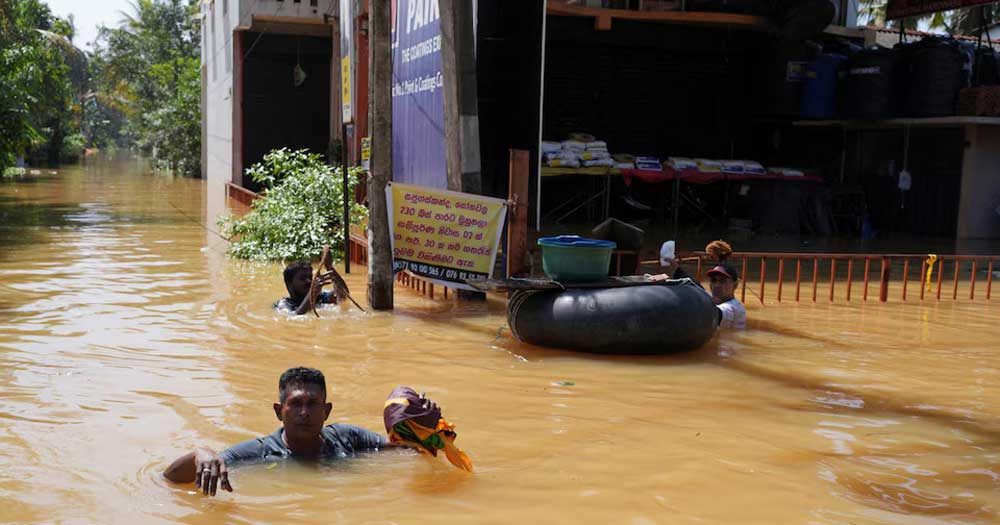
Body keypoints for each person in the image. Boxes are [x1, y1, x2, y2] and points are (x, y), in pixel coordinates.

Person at [163, 367, 391, 496]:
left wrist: (421, 424)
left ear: (326, 411)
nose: (304, 412)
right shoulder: (258, 453)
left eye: (312, 404)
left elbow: (405, 448)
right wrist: (199, 454)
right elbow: (168, 479)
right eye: (296, 403)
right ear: (279, 411)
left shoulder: (347, 438)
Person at [648, 240, 747, 330]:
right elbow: (696, 287)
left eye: (722, 281)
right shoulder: (713, 298)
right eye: (713, 280)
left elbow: (713, 312)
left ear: (735, 285)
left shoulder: (736, 308)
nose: (717, 285)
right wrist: (672, 273)